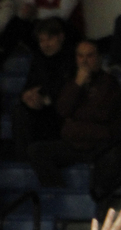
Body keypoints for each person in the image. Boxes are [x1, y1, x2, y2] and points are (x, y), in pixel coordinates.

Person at [28, 39, 121, 212]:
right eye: (80, 56)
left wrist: (75, 120)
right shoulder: (70, 81)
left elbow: (102, 115)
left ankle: (100, 210)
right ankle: (62, 199)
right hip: (73, 143)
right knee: (36, 150)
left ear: (99, 58)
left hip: (99, 145)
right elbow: (62, 110)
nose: (84, 60)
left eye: (89, 55)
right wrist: (77, 85)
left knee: (112, 156)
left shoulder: (110, 83)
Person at [11, 17, 75, 160]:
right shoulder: (38, 59)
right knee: (19, 111)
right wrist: (27, 97)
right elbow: (29, 86)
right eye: (41, 40)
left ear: (61, 37)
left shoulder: (71, 58)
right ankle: (23, 161)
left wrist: (43, 97)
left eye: (49, 39)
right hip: (40, 112)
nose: (45, 44)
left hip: (59, 115)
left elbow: (65, 90)